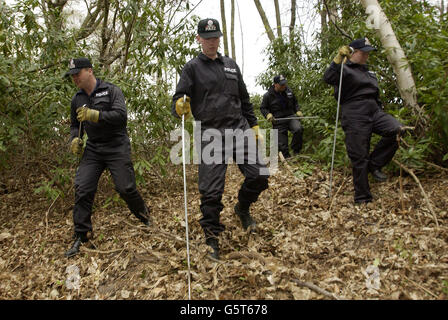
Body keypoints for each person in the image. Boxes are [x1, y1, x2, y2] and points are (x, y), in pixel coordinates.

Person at [172, 18, 269, 260]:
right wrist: (179, 104)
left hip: (238, 128)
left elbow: (244, 98)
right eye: (207, 38)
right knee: (211, 191)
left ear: (219, 38)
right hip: (210, 133)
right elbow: (179, 95)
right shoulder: (192, 68)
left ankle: (242, 208)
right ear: (199, 39)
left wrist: (254, 124)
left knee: (260, 175)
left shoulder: (231, 66)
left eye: (215, 37)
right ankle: (211, 235)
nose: (212, 42)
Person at [64, 57, 150, 257]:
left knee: (125, 188)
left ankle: (145, 216)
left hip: (116, 145)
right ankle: (81, 234)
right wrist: (73, 140)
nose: (75, 78)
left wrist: (95, 115)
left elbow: (121, 116)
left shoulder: (111, 91)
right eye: (72, 75)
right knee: (83, 187)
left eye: (78, 74)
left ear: (90, 71)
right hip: (93, 149)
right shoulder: (77, 99)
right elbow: (74, 126)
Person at [323, 37, 406, 204]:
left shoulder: (369, 72)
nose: (367, 56)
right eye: (364, 53)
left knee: (397, 129)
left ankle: (374, 165)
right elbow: (328, 78)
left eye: (368, 53)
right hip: (354, 113)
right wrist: (338, 59)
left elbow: (375, 94)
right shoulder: (344, 70)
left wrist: (379, 109)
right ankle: (363, 198)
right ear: (354, 53)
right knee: (359, 155)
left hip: (374, 111)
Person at [260, 75, 304, 158]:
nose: (284, 86)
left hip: (290, 116)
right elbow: (263, 108)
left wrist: (298, 110)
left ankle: (296, 152)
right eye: (281, 85)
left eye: (284, 84)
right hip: (278, 120)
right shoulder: (268, 95)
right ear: (275, 84)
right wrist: (267, 114)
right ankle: (287, 158)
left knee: (298, 129)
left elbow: (295, 103)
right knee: (282, 144)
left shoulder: (289, 91)